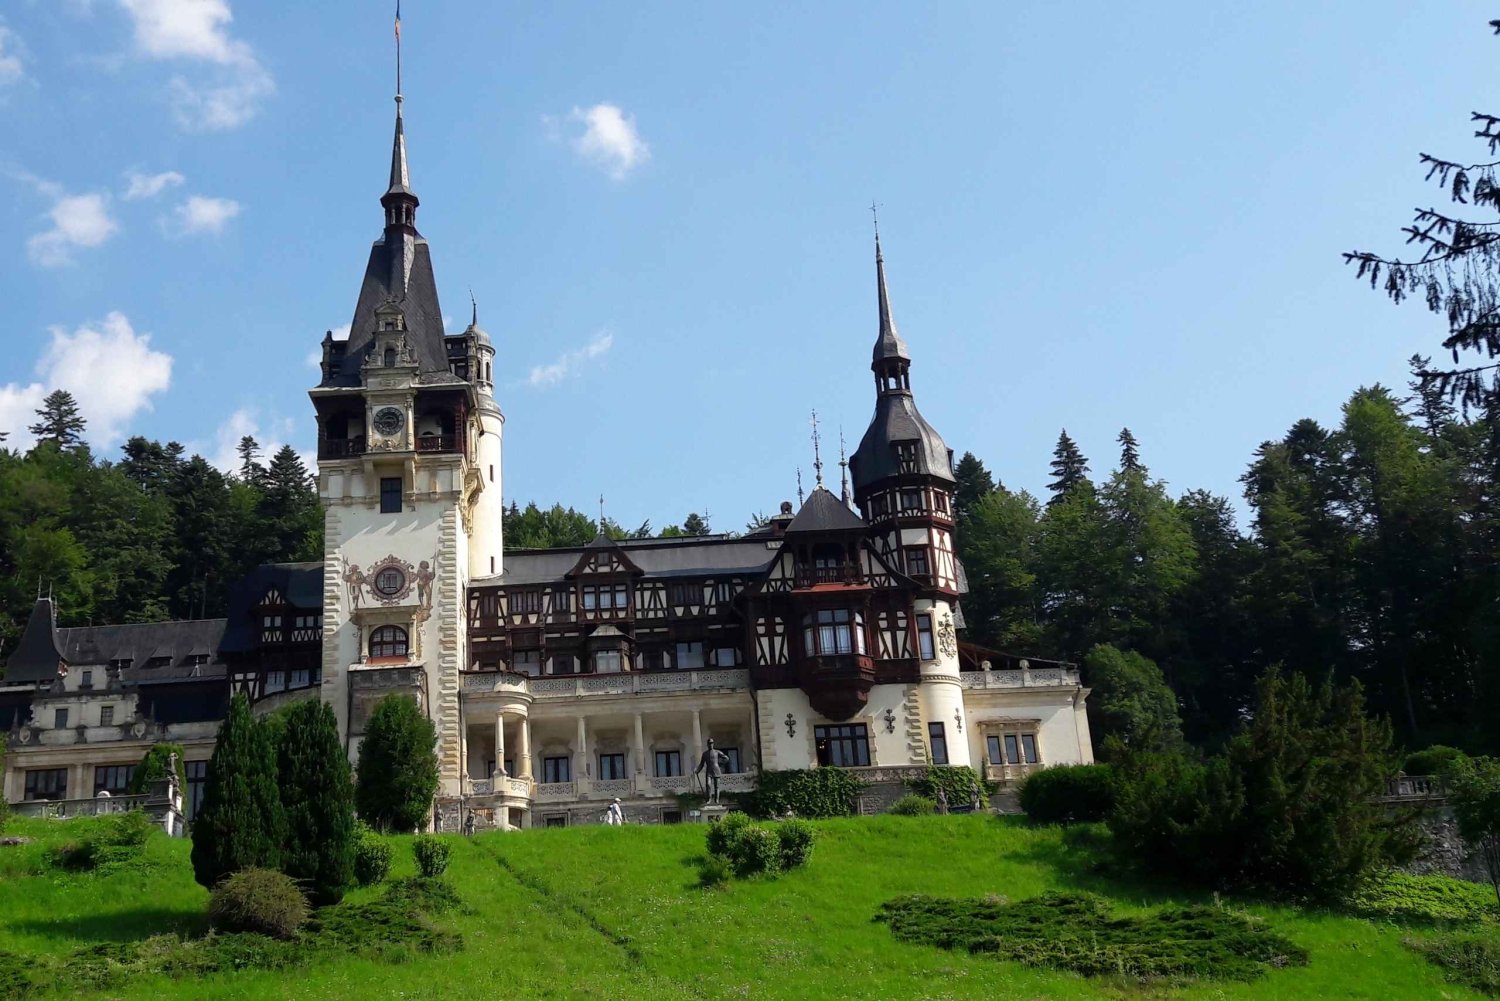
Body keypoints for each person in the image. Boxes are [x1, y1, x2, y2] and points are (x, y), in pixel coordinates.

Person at [694, 738, 732, 805]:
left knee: (716, 786)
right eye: (709, 743)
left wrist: (719, 763)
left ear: (713, 744)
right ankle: (709, 799)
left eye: (711, 743)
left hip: (716, 770)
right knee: (708, 785)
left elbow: (726, 758)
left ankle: (716, 800)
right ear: (707, 744)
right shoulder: (705, 754)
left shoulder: (717, 752)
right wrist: (697, 770)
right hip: (709, 771)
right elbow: (701, 764)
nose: (710, 744)